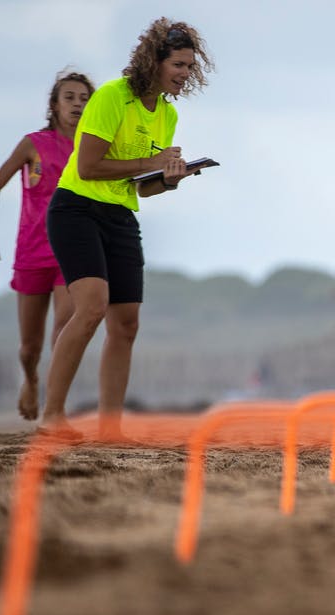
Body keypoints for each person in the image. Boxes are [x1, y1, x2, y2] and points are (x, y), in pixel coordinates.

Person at [39, 18, 213, 439]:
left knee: (127, 322)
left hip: (120, 214)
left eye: (190, 67)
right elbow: (88, 166)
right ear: (153, 61)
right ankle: (52, 416)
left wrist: (171, 178)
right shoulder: (113, 97)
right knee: (93, 306)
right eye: (178, 64)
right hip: (76, 209)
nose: (185, 74)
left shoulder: (167, 115)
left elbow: (146, 189)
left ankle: (110, 427)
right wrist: (150, 163)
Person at [0, 71, 95, 421]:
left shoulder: (93, 148)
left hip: (70, 250)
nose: (77, 104)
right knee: (29, 347)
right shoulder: (33, 143)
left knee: (65, 322)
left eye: (84, 99)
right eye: (70, 97)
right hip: (31, 251)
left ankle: (54, 405)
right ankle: (30, 379)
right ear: (55, 105)